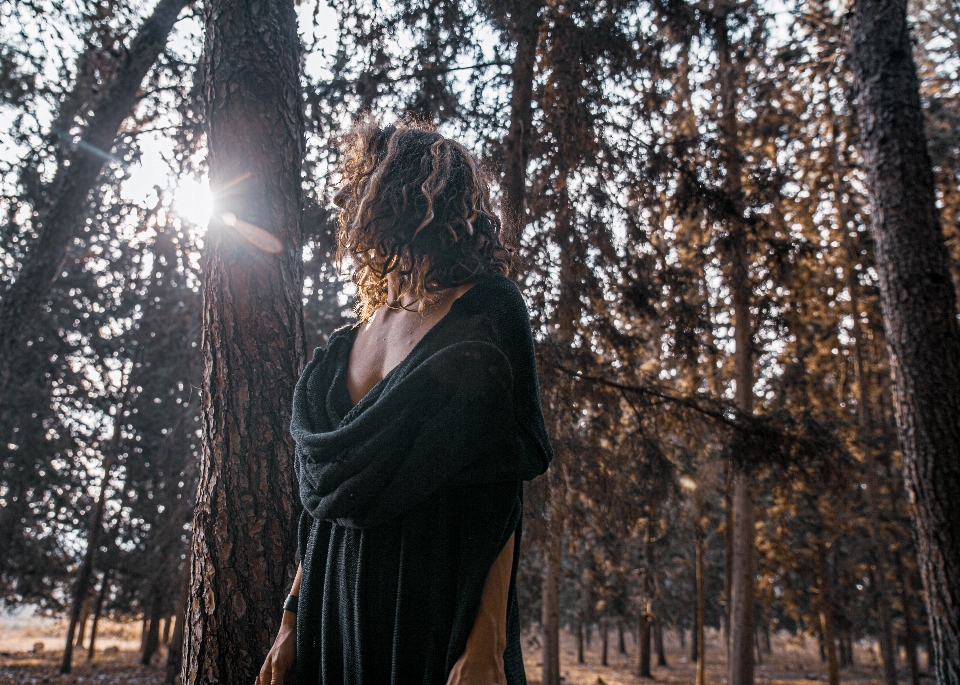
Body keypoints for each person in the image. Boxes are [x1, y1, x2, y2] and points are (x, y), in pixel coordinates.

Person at [258, 117, 553, 685]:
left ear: (407, 197)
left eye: (364, 186)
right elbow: (328, 504)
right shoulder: (356, 332)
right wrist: (291, 621)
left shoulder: (488, 309)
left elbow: (500, 491)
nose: (351, 204)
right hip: (332, 605)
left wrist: (485, 642)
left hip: (435, 600)